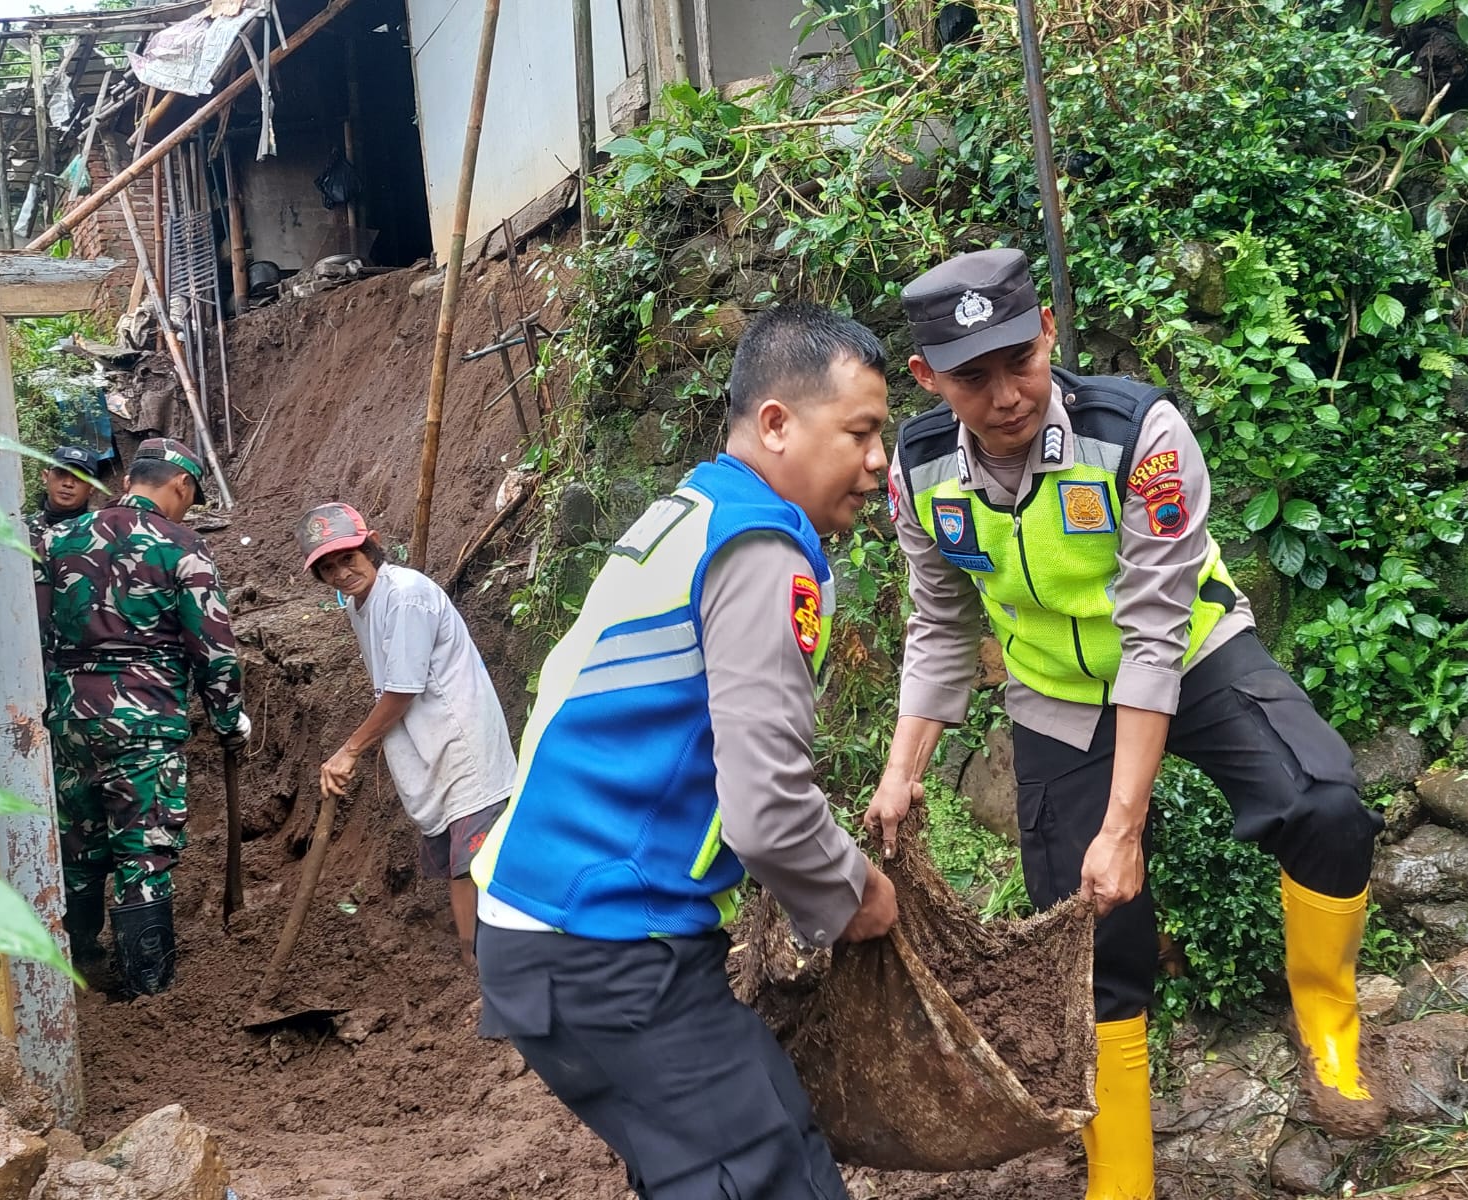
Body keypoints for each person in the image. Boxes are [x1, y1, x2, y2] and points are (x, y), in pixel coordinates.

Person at [862, 249, 1386, 1197]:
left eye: (1020, 361)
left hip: (1190, 650)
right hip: (1056, 695)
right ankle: (1122, 1178)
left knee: (1323, 802)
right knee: (1089, 932)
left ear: (1048, 334)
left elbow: (1152, 635)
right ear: (927, 377)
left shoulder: (1139, 433)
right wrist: (902, 771)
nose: (1006, 396)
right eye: (972, 378)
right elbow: (939, 624)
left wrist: (1123, 826)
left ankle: (1328, 1027)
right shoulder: (919, 468)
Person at [471, 303, 899, 1199]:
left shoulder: (691, 514)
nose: (878, 463)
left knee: (728, 1156)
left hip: (555, 928)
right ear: (776, 424)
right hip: (605, 943)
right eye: (860, 433)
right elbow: (767, 812)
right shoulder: (761, 550)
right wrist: (854, 892)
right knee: (769, 1172)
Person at [35, 437, 248, 996]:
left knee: (78, 847)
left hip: (69, 720)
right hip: (145, 723)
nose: (188, 507)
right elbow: (214, 650)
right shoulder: (183, 546)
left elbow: (34, 631)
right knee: (144, 852)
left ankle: (76, 967)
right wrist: (228, 720)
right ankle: (147, 988)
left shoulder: (56, 539)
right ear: (181, 484)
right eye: (191, 497)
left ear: (130, 481)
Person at [298, 502, 516, 971]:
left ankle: (479, 964)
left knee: (471, 862)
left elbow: (402, 690)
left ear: (371, 546)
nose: (341, 573)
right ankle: (479, 961)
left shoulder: (406, 596)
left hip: (461, 739)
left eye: (349, 558)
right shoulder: (361, 604)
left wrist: (350, 750)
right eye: (328, 568)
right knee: (456, 856)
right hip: (426, 741)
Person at [25, 445, 101, 546]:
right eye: (61, 473)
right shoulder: (19, 527)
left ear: (92, 487)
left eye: (80, 477)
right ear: (45, 476)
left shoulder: (102, 534)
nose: (68, 483)